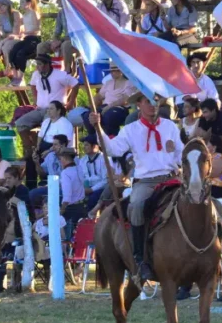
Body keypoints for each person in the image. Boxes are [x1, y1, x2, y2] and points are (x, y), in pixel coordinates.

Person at [89, 92, 183, 280]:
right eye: (148, 101)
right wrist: (98, 126)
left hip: (172, 177)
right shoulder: (130, 130)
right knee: (137, 206)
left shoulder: (170, 126)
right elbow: (112, 149)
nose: (153, 105)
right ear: (139, 104)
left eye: (156, 101)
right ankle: (140, 258)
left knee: (195, 202)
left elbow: (180, 153)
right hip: (146, 181)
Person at [15, 54, 79, 156]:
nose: (37, 67)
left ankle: (43, 151)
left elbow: (75, 84)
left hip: (54, 110)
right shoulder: (36, 74)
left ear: (47, 65)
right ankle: (29, 150)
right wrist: (35, 100)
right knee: (20, 123)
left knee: (47, 129)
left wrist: (70, 103)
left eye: (40, 64)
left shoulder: (60, 75)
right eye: (37, 64)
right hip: (40, 109)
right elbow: (32, 85)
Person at [68, 63, 134, 138]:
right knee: (88, 115)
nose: (112, 73)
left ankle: (110, 137)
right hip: (105, 106)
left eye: (114, 71)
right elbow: (99, 96)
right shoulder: (109, 82)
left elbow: (125, 99)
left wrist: (109, 106)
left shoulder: (128, 83)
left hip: (120, 108)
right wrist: (92, 105)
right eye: (111, 71)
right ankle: (93, 138)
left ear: (120, 71)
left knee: (109, 116)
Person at [8, 0, 42, 86]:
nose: (21, 4)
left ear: (29, 3)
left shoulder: (34, 13)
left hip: (34, 40)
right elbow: (18, 27)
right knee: (12, 51)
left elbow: (37, 30)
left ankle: (20, 78)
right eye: (20, 2)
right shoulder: (24, 15)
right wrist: (15, 35)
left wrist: (25, 33)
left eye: (22, 2)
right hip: (26, 39)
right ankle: (15, 77)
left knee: (21, 53)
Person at [28, 134, 68, 207]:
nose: (53, 147)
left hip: (64, 189)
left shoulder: (71, 158)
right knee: (31, 194)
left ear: (63, 145)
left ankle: (48, 217)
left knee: (48, 200)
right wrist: (37, 163)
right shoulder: (50, 156)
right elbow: (42, 174)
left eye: (55, 145)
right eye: (53, 145)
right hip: (51, 187)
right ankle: (31, 217)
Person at [36, 7, 76, 73]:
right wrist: (54, 41)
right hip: (64, 40)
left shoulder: (77, 11)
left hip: (76, 41)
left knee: (65, 45)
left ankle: (67, 72)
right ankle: (42, 72)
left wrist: (60, 41)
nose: (58, 1)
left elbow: (76, 34)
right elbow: (57, 32)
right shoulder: (61, 12)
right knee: (41, 46)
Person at [59, 148, 85, 240]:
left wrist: (61, 211)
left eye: (61, 158)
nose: (60, 161)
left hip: (71, 209)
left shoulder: (65, 173)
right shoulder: (79, 168)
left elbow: (66, 197)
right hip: (82, 206)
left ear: (64, 158)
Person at [77, 135, 106, 211]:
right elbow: (81, 177)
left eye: (86, 145)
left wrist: (92, 189)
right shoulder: (83, 160)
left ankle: (90, 219)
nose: (84, 147)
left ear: (95, 146)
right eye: (84, 145)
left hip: (101, 188)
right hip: (87, 187)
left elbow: (105, 180)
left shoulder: (104, 159)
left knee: (92, 199)